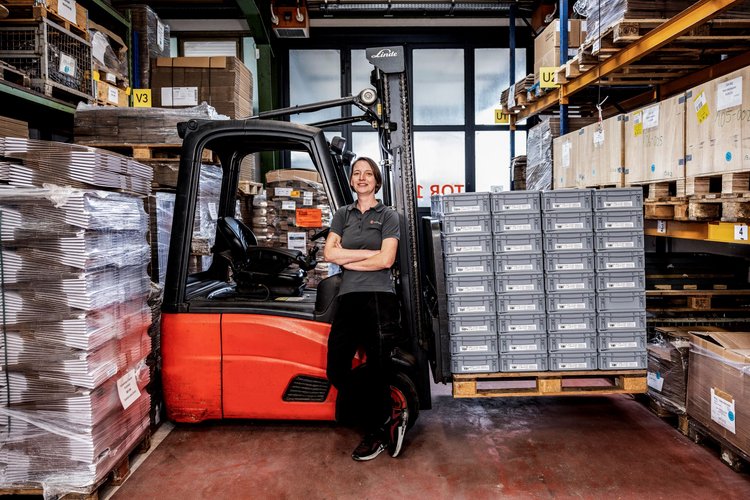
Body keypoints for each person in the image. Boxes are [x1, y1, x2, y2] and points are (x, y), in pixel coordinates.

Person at [323, 156, 408, 461]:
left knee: (380, 367)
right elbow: (328, 254)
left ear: (377, 180)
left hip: (379, 298)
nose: (362, 178)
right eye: (356, 173)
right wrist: (364, 253)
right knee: (336, 369)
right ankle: (387, 417)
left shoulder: (388, 216)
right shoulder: (342, 214)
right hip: (348, 298)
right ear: (350, 180)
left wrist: (347, 255)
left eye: (367, 173)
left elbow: (386, 260)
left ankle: (376, 432)